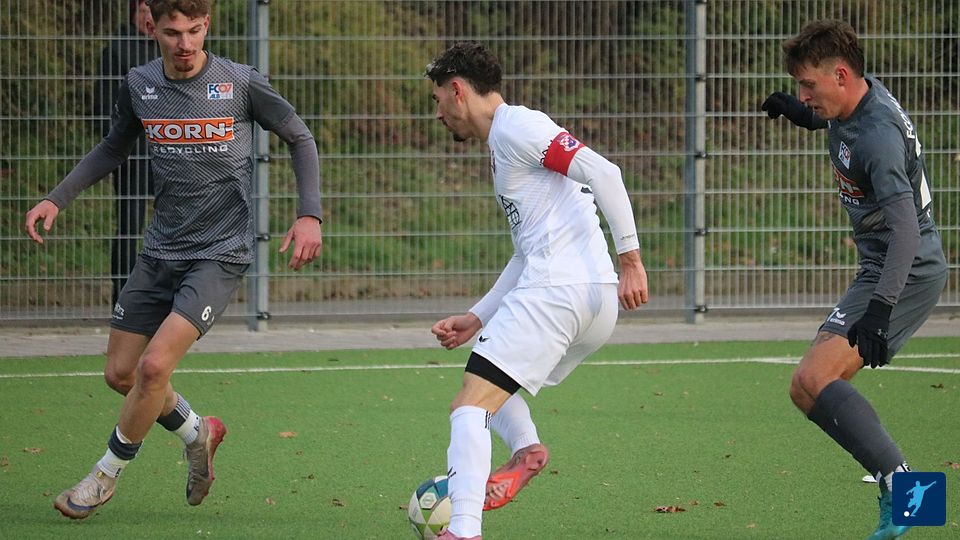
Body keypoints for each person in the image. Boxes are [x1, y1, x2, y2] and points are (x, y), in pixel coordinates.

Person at [25, 0, 323, 519]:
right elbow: (112, 148)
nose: (184, 44)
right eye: (171, 33)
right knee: (122, 374)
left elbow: (299, 136)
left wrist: (309, 215)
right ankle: (196, 432)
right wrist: (57, 197)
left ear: (207, 25)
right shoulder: (139, 84)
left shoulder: (240, 82)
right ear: (152, 28)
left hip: (219, 254)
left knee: (154, 366)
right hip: (160, 250)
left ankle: (103, 476)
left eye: (194, 31)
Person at [425, 42, 648, 539]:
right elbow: (526, 252)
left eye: (437, 100)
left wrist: (631, 259)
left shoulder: (518, 126)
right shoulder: (503, 144)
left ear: (457, 91)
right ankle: (526, 450)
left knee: (470, 406)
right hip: (591, 300)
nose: (438, 113)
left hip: (558, 292)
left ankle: (463, 529)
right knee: (492, 382)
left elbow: (605, 172)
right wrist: (478, 317)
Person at [761, 20, 947, 540]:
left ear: (841, 75)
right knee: (807, 387)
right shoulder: (854, 103)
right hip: (882, 265)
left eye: (808, 86)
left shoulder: (877, 136)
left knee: (814, 380)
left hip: (905, 269)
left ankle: (907, 491)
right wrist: (800, 113)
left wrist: (881, 309)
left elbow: (906, 229)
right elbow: (838, 122)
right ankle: (905, 487)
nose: (804, 94)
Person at [96, 0, 158, 305]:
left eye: (154, 11)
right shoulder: (117, 51)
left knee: (174, 227)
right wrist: (121, 150)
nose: (149, 17)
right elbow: (104, 108)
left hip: (170, 156)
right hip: (133, 158)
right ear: (134, 13)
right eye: (144, 10)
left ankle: (166, 298)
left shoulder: (170, 49)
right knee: (129, 227)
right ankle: (122, 299)